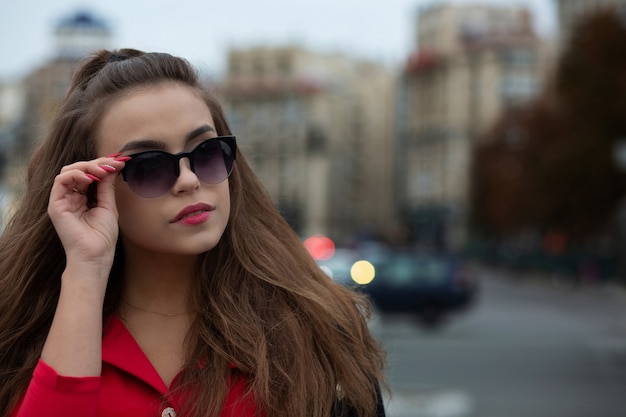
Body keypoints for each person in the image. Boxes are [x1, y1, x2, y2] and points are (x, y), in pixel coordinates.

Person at [0, 49, 387, 417]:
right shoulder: (23, 338)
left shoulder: (319, 330)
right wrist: (86, 267)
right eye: (150, 165)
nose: (188, 180)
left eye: (206, 153)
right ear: (91, 186)